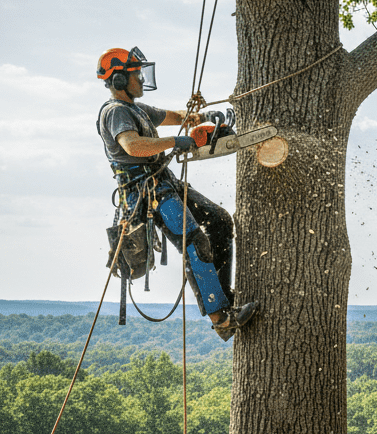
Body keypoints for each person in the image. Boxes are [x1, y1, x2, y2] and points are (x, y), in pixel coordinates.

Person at [95, 46, 257, 341]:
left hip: (164, 181)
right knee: (195, 241)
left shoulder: (137, 109)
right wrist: (176, 141)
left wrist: (202, 116)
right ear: (119, 80)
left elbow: (176, 116)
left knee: (220, 221)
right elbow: (133, 146)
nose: (142, 79)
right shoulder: (116, 112)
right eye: (136, 74)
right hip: (148, 192)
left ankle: (223, 297)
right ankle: (221, 318)